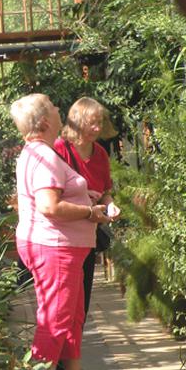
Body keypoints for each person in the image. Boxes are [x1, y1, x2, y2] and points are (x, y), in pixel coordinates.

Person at [10, 93, 110, 370]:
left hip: (60, 247)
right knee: (54, 318)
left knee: (72, 316)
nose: (58, 109)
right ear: (43, 122)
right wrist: (89, 212)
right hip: (54, 247)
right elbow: (49, 206)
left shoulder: (38, 153)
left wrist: (89, 201)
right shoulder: (44, 156)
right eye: (53, 106)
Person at [54, 97, 119, 325]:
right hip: (64, 236)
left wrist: (110, 205)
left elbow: (105, 191)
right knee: (64, 304)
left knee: (82, 302)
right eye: (92, 123)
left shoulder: (100, 153)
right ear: (77, 121)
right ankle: (61, 358)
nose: (97, 128)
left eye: (99, 122)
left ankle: (72, 357)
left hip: (88, 235)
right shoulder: (60, 149)